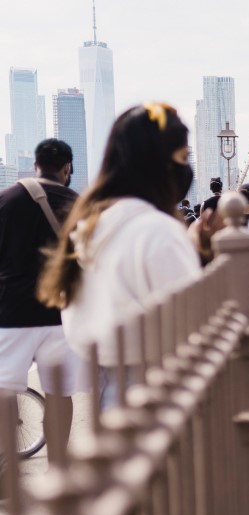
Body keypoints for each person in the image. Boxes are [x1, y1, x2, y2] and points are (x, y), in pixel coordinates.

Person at [38, 103, 202, 408]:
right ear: (159, 164)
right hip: (160, 388)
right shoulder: (158, 232)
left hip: (105, 391)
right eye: (183, 157)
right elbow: (193, 325)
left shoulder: (88, 225)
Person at [0, 138, 80, 457]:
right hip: (60, 314)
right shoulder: (76, 203)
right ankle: (60, 468)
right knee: (60, 393)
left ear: (35, 166)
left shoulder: (6, 199)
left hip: (11, 313)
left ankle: (6, 467)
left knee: (5, 392)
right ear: (67, 168)